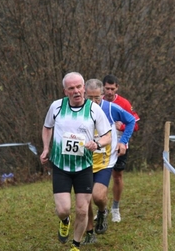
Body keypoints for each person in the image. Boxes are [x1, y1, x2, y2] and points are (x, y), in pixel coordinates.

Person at [40, 72, 112, 251]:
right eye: (71, 88)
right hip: (61, 166)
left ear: (84, 89)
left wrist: (96, 143)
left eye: (79, 87)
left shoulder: (94, 109)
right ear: (65, 91)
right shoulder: (56, 107)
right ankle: (64, 221)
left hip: (84, 166)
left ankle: (75, 245)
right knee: (64, 209)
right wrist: (46, 148)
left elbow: (107, 136)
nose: (76, 91)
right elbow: (47, 127)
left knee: (82, 209)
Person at [82, 79, 135, 244]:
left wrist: (123, 141)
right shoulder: (78, 109)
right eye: (89, 98)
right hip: (83, 161)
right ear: (84, 94)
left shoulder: (110, 108)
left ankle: (103, 211)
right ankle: (90, 233)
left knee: (98, 197)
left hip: (105, 161)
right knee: (85, 200)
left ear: (102, 95)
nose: (93, 102)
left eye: (96, 98)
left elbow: (131, 120)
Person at [102, 74, 140, 223]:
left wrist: (122, 126)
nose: (109, 92)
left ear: (117, 87)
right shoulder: (98, 102)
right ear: (102, 88)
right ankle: (102, 209)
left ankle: (115, 208)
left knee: (117, 176)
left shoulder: (124, 103)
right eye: (107, 89)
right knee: (101, 178)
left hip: (120, 144)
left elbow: (135, 125)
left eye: (112, 89)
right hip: (102, 146)